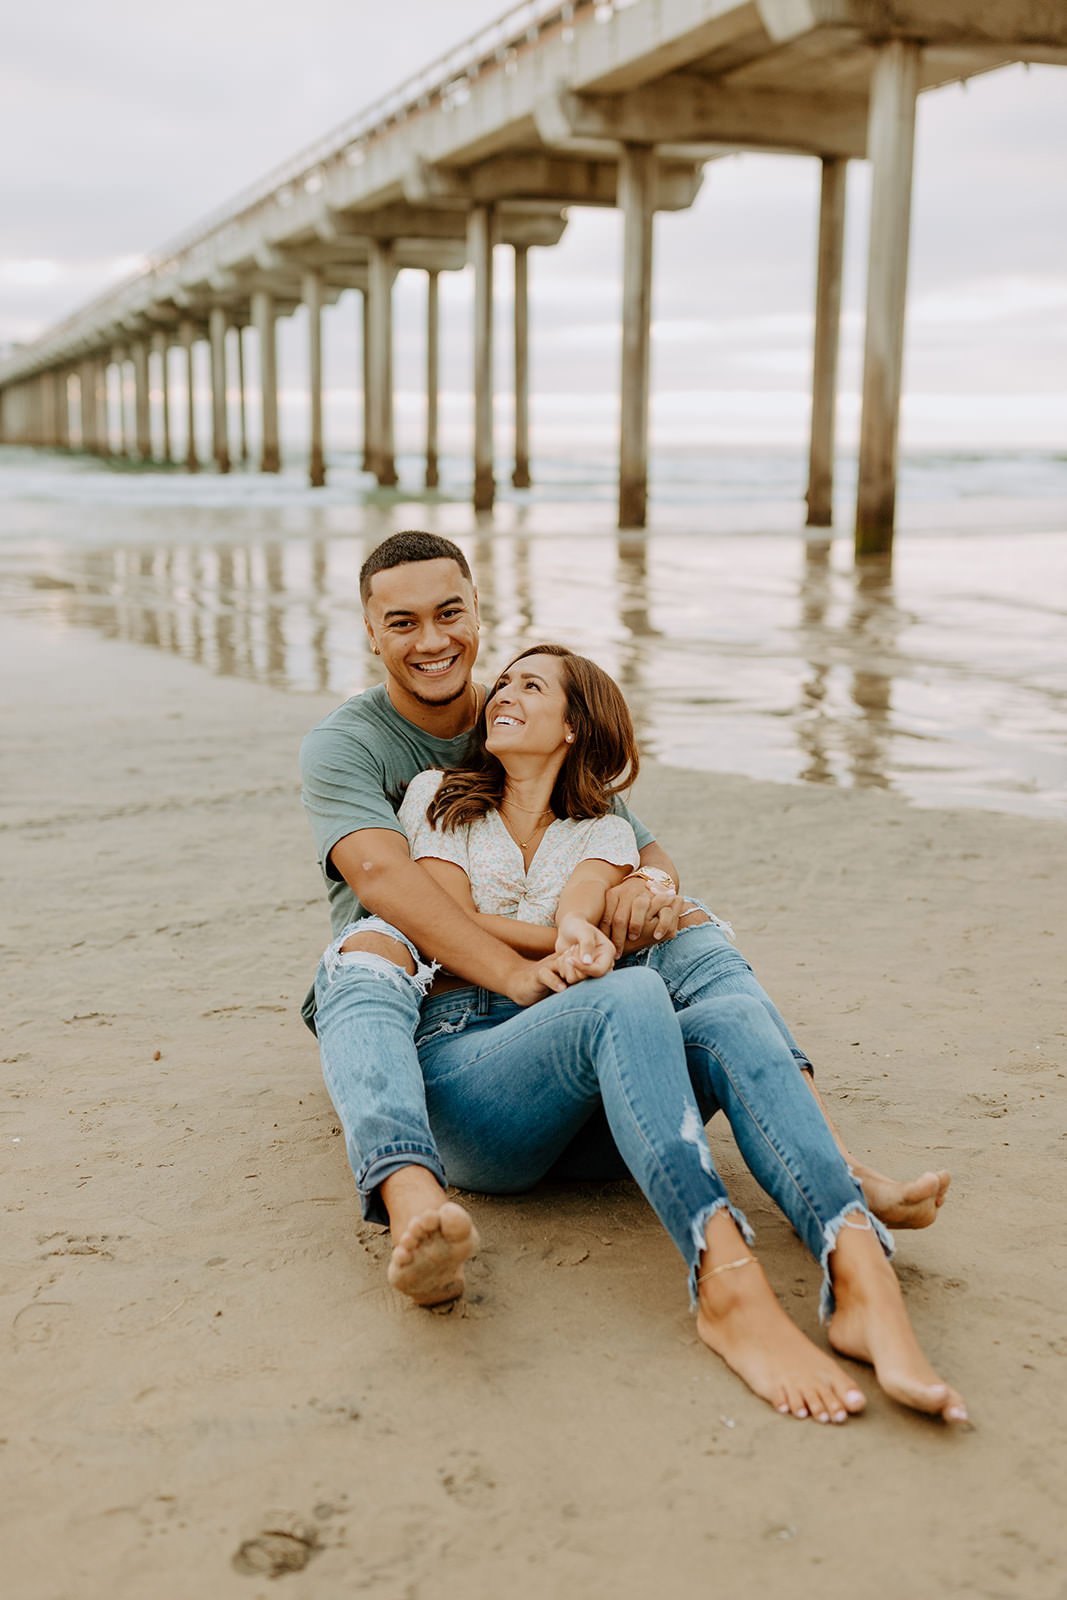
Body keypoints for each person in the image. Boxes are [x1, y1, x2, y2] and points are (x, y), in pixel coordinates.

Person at [300, 532, 949, 1314]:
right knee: (366, 949)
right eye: (402, 623)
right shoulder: (350, 743)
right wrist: (522, 969)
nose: (433, 641)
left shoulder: (517, 712)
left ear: (477, 609)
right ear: (370, 632)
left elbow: (634, 843)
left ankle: (832, 1159)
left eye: (449, 614)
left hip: (560, 975)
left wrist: (647, 892)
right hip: (427, 980)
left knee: (691, 922)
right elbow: (385, 879)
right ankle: (409, 1195)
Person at [381, 642, 968, 1423]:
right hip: (473, 1078)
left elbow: (579, 908)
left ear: (572, 729)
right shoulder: (438, 794)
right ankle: (725, 1284)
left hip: (593, 1116)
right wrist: (570, 947)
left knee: (731, 1014)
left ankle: (859, 1273)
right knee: (628, 991)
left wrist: (581, 932)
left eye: (531, 685)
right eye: (504, 684)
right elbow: (450, 919)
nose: (502, 695)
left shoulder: (603, 834)